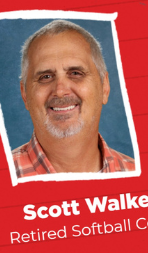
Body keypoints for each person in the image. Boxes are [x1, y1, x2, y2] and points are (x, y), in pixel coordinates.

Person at [12, 20, 135, 178]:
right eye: (46, 77)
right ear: (25, 94)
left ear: (105, 87)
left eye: (76, 73)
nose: (60, 91)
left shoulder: (141, 176)